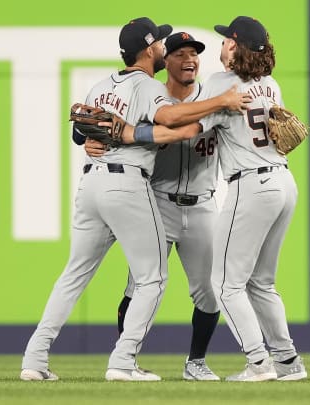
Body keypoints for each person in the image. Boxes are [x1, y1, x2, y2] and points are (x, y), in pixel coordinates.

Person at [21, 17, 248, 383]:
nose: (166, 48)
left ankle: (34, 358)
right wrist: (218, 105)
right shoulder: (147, 86)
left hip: (94, 186)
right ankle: (124, 362)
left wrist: (90, 139)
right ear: (151, 51)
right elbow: (168, 116)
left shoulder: (100, 85)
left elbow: (85, 123)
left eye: (193, 53)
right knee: (152, 279)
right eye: (164, 45)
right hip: (132, 187)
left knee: (74, 275)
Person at [83, 32, 223, 381]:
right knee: (139, 286)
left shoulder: (211, 99)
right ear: (165, 60)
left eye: (194, 53)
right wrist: (90, 141)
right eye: (179, 53)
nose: (189, 59)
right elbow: (112, 130)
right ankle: (125, 359)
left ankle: (196, 362)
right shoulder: (147, 96)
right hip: (157, 202)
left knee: (209, 291)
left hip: (203, 205)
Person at [197, 16, 308, 382]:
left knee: (225, 284)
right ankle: (289, 362)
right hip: (283, 182)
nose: (222, 44)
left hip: (251, 186)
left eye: (227, 39)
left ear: (235, 44)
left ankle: (259, 363)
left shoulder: (220, 83)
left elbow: (195, 130)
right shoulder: (270, 84)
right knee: (262, 283)